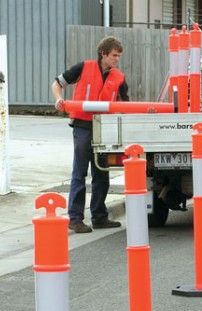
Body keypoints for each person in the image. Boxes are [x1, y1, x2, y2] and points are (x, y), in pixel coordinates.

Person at [51, 36, 129, 233]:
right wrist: (59, 99)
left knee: (101, 171)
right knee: (80, 172)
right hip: (82, 125)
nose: (117, 59)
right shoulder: (83, 67)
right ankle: (75, 218)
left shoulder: (119, 77)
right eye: (114, 55)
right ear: (103, 53)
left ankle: (99, 217)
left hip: (104, 126)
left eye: (119, 56)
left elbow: (126, 104)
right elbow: (57, 83)